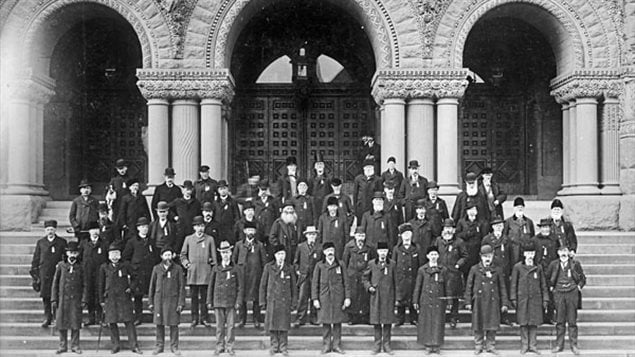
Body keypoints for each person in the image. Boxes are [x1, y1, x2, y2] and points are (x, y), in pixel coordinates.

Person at [464, 245, 511, 355]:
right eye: (485, 256)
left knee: (492, 324)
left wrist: (504, 303)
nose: (487, 258)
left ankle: (490, 345)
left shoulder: (498, 270)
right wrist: (468, 302)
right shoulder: (475, 269)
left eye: (489, 256)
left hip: (493, 301)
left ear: (493, 255)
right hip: (479, 301)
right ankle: (478, 345)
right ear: (481, 256)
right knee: (478, 324)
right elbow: (469, 286)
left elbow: (502, 287)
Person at [98, 242, 142, 354]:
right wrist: (101, 300)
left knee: (129, 322)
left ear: (120, 255)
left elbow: (135, 278)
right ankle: (115, 346)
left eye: (117, 253)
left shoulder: (126, 265)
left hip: (124, 298)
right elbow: (100, 285)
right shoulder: (104, 267)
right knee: (112, 323)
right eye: (112, 254)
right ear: (108, 255)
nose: (114, 256)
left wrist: (131, 288)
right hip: (110, 299)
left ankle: (134, 346)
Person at [312, 241, 350, 354]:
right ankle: (326, 345)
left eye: (332, 251)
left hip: (338, 297)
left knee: (337, 322)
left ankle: (337, 345)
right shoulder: (319, 266)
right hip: (324, 298)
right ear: (324, 252)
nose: (330, 253)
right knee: (326, 322)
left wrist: (347, 297)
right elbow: (315, 284)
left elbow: (346, 282)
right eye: (328, 251)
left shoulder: (341, 264)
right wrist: (315, 299)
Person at [546, 245, 586, 355]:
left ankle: (574, 345)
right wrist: (551, 288)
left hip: (572, 293)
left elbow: (582, 278)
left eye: (565, 251)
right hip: (559, 294)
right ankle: (559, 345)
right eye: (561, 251)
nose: (563, 254)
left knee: (572, 321)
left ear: (568, 252)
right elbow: (547, 277)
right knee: (560, 321)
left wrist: (578, 287)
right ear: (558, 253)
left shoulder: (575, 264)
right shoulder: (554, 264)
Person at [510, 243, 549, 355]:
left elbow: (543, 285)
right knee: (523, 323)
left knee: (533, 323)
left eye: (532, 253)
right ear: (524, 254)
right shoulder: (518, 267)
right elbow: (513, 284)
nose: (530, 256)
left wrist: (545, 299)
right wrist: (513, 298)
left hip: (535, 299)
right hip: (522, 299)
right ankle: (524, 345)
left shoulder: (538, 267)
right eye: (528, 253)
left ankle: (533, 345)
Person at [260, 244, 297, 356]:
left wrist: (294, 302)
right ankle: (274, 346)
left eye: (283, 254)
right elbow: (263, 285)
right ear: (275, 255)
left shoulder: (289, 268)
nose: (281, 257)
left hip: (285, 301)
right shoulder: (268, 267)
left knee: (284, 325)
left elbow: (293, 287)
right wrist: (262, 302)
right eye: (279, 254)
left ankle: (283, 346)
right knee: (273, 325)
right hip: (273, 300)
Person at [122, 217, 160, 325]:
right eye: (142, 227)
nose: (145, 229)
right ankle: (138, 317)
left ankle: (155, 315)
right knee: (138, 296)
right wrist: (132, 269)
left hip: (149, 272)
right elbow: (125, 258)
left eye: (146, 226)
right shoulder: (132, 242)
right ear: (138, 228)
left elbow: (156, 257)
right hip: (137, 274)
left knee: (152, 294)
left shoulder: (151, 241)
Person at [207, 241, 243, 356]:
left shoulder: (236, 268)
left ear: (231, 253)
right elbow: (211, 286)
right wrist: (209, 300)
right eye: (223, 253)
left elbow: (240, 287)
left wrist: (238, 301)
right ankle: (219, 346)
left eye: (227, 252)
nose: (225, 255)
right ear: (220, 254)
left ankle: (230, 346)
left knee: (231, 326)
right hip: (218, 300)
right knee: (219, 326)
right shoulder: (216, 269)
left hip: (231, 301)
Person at [148, 246, 186, 356]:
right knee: (159, 325)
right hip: (159, 300)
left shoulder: (178, 269)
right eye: (166, 255)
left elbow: (181, 287)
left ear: (173, 256)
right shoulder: (156, 269)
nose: (168, 257)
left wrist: (181, 303)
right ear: (161, 256)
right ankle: (159, 346)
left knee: (174, 325)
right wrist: (150, 302)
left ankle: (174, 347)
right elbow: (152, 287)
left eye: (170, 255)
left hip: (173, 301)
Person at [180, 215, 217, 327]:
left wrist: (212, 268)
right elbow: (183, 254)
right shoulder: (188, 239)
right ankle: (194, 318)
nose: (200, 228)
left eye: (201, 226)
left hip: (205, 272)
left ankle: (204, 318)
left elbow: (214, 257)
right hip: (193, 272)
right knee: (194, 297)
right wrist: (187, 264)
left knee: (204, 298)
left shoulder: (210, 239)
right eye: (197, 226)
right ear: (194, 228)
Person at [51, 241, 86, 354]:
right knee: (62, 323)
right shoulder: (61, 265)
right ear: (66, 253)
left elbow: (85, 284)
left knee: (75, 323)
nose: (72, 255)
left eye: (74, 253)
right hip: (62, 300)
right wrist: (54, 298)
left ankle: (75, 346)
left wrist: (84, 299)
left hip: (76, 300)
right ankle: (63, 345)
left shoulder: (81, 266)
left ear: (77, 254)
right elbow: (55, 283)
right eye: (70, 252)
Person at [31, 219, 67, 327]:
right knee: (46, 297)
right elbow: (36, 259)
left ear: (55, 230)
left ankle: (57, 317)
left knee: (57, 295)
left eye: (52, 229)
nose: (50, 231)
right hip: (44, 273)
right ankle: (47, 317)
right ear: (45, 230)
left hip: (57, 273)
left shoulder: (61, 242)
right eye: (48, 229)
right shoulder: (41, 242)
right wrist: (35, 273)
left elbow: (65, 257)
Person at [413, 246, 448, 354]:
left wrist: (448, 301)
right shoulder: (422, 270)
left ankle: (437, 345)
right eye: (431, 254)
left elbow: (447, 286)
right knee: (427, 323)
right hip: (426, 300)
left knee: (438, 322)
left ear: (438, 256)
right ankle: (428, 345)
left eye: (435, 254)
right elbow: (418, 286)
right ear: (427, 256)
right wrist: (415, 300)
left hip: (438, 300)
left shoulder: (443, 270)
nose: (433, 257)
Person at [363, 242, 397, 355]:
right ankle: (377, 345)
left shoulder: (392, 264)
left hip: (388, 297)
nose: (383, 253)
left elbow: (396, 282)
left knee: (387, 322)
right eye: (381, 251)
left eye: (385, 251)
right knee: (377, 322)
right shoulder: (372, 264)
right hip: (376, 297)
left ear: (387, 252)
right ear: (377, 252)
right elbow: (365, 278)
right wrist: (369, 287)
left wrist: (397, 298)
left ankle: (387, 345)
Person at [434, 218, 468, 328]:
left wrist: (458, 265)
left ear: (454, 230)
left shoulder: (459, 242)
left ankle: (454, 318)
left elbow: (465, 256)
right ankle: (441, 318)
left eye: (450, 228)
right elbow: (433, 253)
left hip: (454, 274)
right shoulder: (438, 241)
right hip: (440, 272)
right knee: (441, 295)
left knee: (454, 297)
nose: (448, 231)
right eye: (446, 228)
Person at [233, 221, 267, 328]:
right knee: (242, 297)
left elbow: (264, 262)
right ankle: (242, 319)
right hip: (242, 275)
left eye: (252, 230)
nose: (250, 232)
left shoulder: (259, 245)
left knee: (256, 298)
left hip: (255, 275)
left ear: (255, 231)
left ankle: (256, 319)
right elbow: (234, 260)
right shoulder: (239, 245)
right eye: (248, 230)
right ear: (244, 231)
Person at [481, 216, 513, 325]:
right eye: (496, 226)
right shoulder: (487, 239)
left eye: (500, 225)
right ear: (492, 227)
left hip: (504, 271)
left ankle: (504, 316)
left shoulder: (506, 239)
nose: (498, 228)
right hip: (492, 271)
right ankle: (492, 318)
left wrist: (510, 271)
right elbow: (482, 255)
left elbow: (511, 256)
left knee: (504, 294)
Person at [342, 227, 375, 324]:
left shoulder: (369, 247)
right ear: (355, 236)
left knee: (365, 296)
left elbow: (373, 261)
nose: (361, 238)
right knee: (354, 296)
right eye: (359, 235)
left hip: (365, 275)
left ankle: (365, 316)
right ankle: (353, 317)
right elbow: (345, 261)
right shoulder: (349, 246)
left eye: (362, 236)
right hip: (353, 275)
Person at [392, 223, 423, 326]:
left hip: (413, 278)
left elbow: (420, 264)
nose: (407, 236)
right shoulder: (396, 249)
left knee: (413, 297)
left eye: (409, 233)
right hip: (401, 278)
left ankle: (413, 318)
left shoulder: (416, 248)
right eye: (404, 233)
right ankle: (399, 319)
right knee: (401, 298)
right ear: (401, 235)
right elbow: (393, 264)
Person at [79, 221, 108, 326]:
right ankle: (91, 317)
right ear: (89, 231)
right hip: (88, 274)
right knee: (90, 295)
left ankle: (100, 318)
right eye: (93, 230)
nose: (95, 232)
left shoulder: (104, 244)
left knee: (99, 294)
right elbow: (79, 258)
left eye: (97, 230)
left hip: (100, 274)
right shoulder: (84, 243)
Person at [293, 226, 322, 327]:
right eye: (310, 234)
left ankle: (314, 318)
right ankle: (300, 318)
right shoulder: (301, 247)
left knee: (315, 296)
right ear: (306, 236)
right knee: (302, 297)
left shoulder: (319, 247)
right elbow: (296, 262)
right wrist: (298, 271)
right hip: (304, 276)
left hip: (315, 276)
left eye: (313, 234)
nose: (311, 236)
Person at [532, 218, 560, 324]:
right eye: (543, 227)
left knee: (551, 294)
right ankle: (540, 316)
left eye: (547, 227)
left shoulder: (554, 239)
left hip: (551, 270)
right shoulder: (535, 240)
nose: (545, 229)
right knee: (539, 294)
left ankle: (550, 316)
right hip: (539, 270)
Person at [456, 202, 489, 281]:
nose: (472, 212)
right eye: (470, 210)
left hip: (476, 251)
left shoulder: (481, 222)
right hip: (465, 250)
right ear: (467, 212)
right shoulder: (462, 222)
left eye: (474, 209)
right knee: (465, 271)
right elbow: (457, 235)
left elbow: (484, 237)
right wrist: (467, 234)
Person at [170, 180, 202, 255]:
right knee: (179, 248)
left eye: (190, 189)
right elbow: (168, 209)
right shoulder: (178, 201)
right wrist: (175, 217)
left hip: (191, 229)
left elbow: (199, 214)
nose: (188, 191)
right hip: (180, 228)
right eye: (186, 189)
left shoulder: (196, 202)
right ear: (183, 190)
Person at [503, 197, 536, 266]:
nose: (520, 209)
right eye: (517, 207)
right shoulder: (508, 222)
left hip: (525, 251)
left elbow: (532, 237)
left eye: (521, 207)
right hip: (513, 252)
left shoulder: (529, 222)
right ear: (514, 208)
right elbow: (504, 237)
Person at [255, 180, 281, 246]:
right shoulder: (255, 201)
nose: (263, 192)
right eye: (262, 189)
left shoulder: (274, 201)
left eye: (265, 189)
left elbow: (277, 215)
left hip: (270, 229)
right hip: (258, 230)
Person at [214, 180, 241, 245]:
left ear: (227, 189)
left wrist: (234, 229)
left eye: (224, 188)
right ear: (218, 190)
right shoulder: (215, 203)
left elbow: (237, 217)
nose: (223, 191)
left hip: (229, 231)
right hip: (219, 230)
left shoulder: (232, 202)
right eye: (221, 189)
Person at [308, 153, 333, 221]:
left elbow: (331, 192)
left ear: (324, 166)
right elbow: (309, 193)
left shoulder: (328, 179)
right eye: (318, 165)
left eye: (321, 165)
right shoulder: (311, 180)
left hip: (325, 203)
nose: (320, 167)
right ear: (315, 167)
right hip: (315, 205)